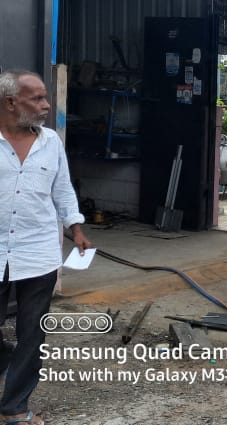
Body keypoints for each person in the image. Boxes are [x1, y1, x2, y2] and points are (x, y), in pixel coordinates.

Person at [0, 70, 92, 425]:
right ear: (11, 102)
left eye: (45, 97)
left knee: (32, 333)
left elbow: (62, 189)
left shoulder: (51, 142)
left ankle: (14, 408)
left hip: (38, 253)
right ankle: (5, 358)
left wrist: (75, 228)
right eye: (36, 98)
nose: (46, 105)